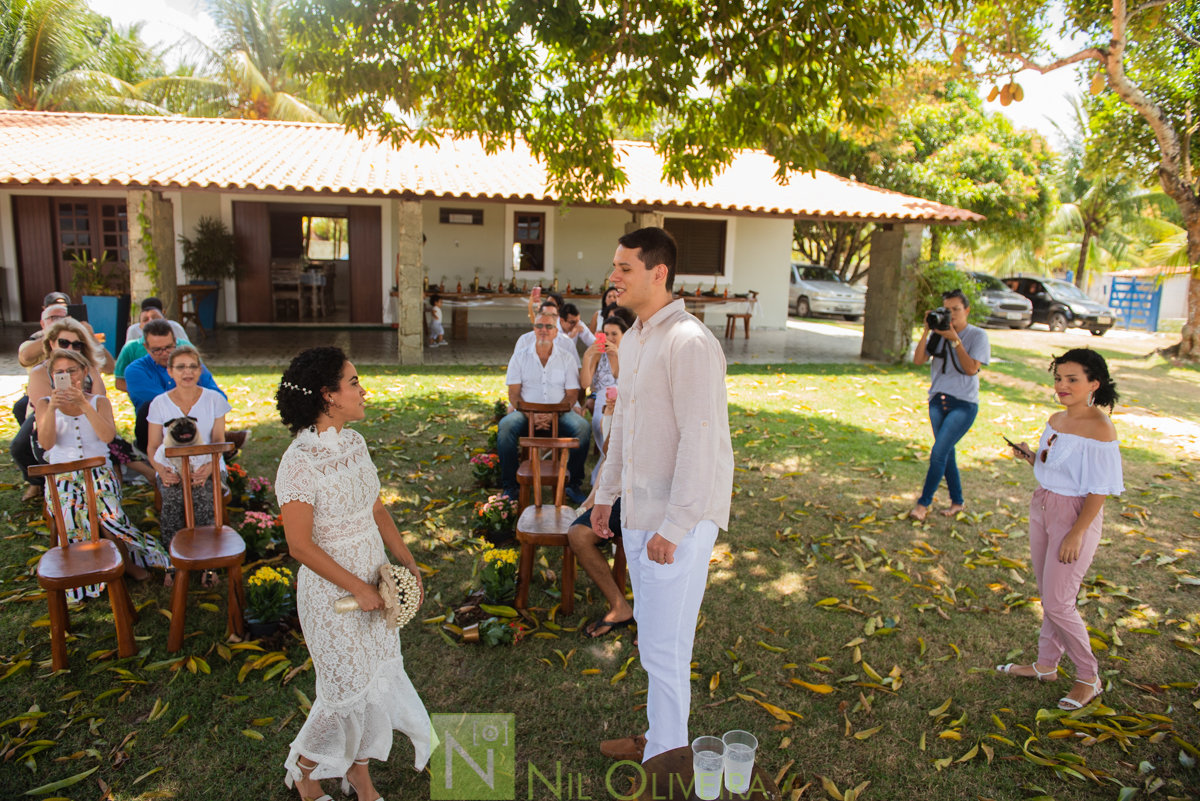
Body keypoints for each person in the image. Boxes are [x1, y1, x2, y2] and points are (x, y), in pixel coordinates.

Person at [591, 226, 733, 763]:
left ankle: (669, 766)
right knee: (651, 640)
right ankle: (659, 738)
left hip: (679, 519)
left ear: (658, 273)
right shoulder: (642, 335)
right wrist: (605, 495)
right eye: (614, 267)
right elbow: (626, 420)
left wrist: (675, 527)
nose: (613, 277)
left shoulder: (688, 341)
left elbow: (701, 441)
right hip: (640, 509)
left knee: (668, 648)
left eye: (624, 268)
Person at [275, 346, 431, 801]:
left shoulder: (356, 443)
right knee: (344, 691)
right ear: (328, 396)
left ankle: (359, 774)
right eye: (355, 382)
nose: (364, 391)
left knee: (376, 682)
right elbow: (299, 545)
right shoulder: (298, 462)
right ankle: (305, 772)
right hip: (333, 595)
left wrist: (405, 559)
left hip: (374, 578)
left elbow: (376, 506)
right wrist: (359, 589)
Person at [997, 348, 1123, 711]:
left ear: (1093, 384)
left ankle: (1088, 676)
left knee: (1058, 601)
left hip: (1075, 517)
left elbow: (1099, 488)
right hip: (1043, 505)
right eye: (1058, 378)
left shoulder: (1101, 427)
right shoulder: (1056, 418)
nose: (1062, 386)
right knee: (1049, 595)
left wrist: (1077, 532)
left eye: (1072, 380)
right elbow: (1056, 465)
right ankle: (1045, 666)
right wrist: (1032, 457)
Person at [35, 348, 170, 599]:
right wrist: (52, 409)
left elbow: (107, 436)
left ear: (84, 372)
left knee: (109, 515)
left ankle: (124, 563)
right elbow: (46, 444)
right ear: (52, 376)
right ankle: (88, 570)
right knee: (76, 515)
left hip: (98, 471)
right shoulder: (44, 404)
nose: (66, 376)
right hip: (63, 476)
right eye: (59, 372)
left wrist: (83, 404)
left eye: (72, 370)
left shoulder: (99, 401)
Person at [146, 345, 231, 587]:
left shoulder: (214, 399)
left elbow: (218, 442)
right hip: (170, 467)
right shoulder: (159, 404)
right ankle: (173, 562)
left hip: (208, 464)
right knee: (173, 500)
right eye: (181, 367)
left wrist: (211, 467)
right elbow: (152, 447)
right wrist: (161, 471)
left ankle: (209, 562)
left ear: (200, 370)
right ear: (170, 371)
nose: (188, 372)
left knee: (203, 497)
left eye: (193, 366)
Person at [909, 289, 990, 521]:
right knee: (947, 453)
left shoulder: (977, 336)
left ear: (966, 310)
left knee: (938, 453)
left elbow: (971, 369)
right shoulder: (937, 332)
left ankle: (923, 505)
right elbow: (918, 360)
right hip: (937, 400)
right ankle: (957, 502)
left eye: (956, 309)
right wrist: (927, 329)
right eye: (946, 310)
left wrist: (955, 339)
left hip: (963, 404)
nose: (951, 314)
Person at [11, 316, 112, 501]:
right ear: (51, 343)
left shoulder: (88, 368)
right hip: (49, 421)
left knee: (113, 443)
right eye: (64, 343)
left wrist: (83, 400)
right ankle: (39, 485)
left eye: (77, 344)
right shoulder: (41, 371)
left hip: (91, 419)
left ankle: (112, 493)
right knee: (19, 446)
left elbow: (100, 402)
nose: (70, 348)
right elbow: (46, 407)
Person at [499, 312, 591, 505]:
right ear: (533, 329)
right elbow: (514, 395)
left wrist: (553, 415)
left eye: (549, 327)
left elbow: (572, 394)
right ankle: (510, 485)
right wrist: (530, 415)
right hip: (525, 414)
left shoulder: (566, 358)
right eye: (539, 326)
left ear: (556, 332)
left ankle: (572, 483)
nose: (543, 330)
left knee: (582, 428)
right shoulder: (519, 357)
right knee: (506, 426)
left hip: (560, 414)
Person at [569, 389, 632, 638]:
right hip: (622, 492)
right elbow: (609, 452)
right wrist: (614, 415)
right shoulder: (628, 386)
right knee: (578, 534)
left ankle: (653, 621)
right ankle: (620, 606)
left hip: (657, 493)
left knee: (649, 542)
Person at [123, 319, 229, 453]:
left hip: (197, 426)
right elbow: (165, 405)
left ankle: (217, 444)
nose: (164, 353)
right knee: (148, 406)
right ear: (146, 347)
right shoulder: (135, 370)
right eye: (156, 349)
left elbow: (219, 397)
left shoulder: (191, 366)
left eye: (168, 347)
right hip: (159, 431)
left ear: (175, 341)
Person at [115, 306, 192, 392]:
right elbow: (119, 381)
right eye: (156, 349)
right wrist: (137, 389)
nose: (151, 321)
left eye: (169, 347)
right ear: (140, 326)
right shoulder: (131, 349)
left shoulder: (186, 346)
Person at [513, 301, 583, 368]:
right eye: (545, 314)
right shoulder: (524, 340)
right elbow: (515, 367)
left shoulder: (567, 342)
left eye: (553, 315)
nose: (548, 318)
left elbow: (575, 368)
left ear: (558, 317)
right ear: (539, 315)